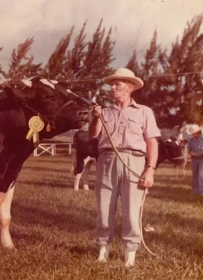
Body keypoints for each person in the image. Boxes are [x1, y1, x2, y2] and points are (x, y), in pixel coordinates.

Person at [88, 68, 161, 267]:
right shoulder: (104, 111)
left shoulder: (144, 111)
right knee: (104, 209)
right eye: (112, 84)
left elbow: (152, 143)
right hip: (107, 161)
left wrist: (150, 169)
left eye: (117, 84)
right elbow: (93, 135)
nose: (112, 88)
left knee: (131, 211)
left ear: (129, 87)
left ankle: (130, 255)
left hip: (134, 161)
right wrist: (95, 117)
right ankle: (103, 251)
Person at [186, 124, 203, 194]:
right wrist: (191, 153)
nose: (193, 135)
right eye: (193, 134)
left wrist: (198, 154)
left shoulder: (202, 140)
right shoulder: (191, 141)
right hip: (194, 159)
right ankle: (195, 190)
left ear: (198, 133)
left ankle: (201, 190)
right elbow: (189, 149)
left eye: (195, 133)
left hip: (202, 159)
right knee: (195, 174)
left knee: (201, 174)